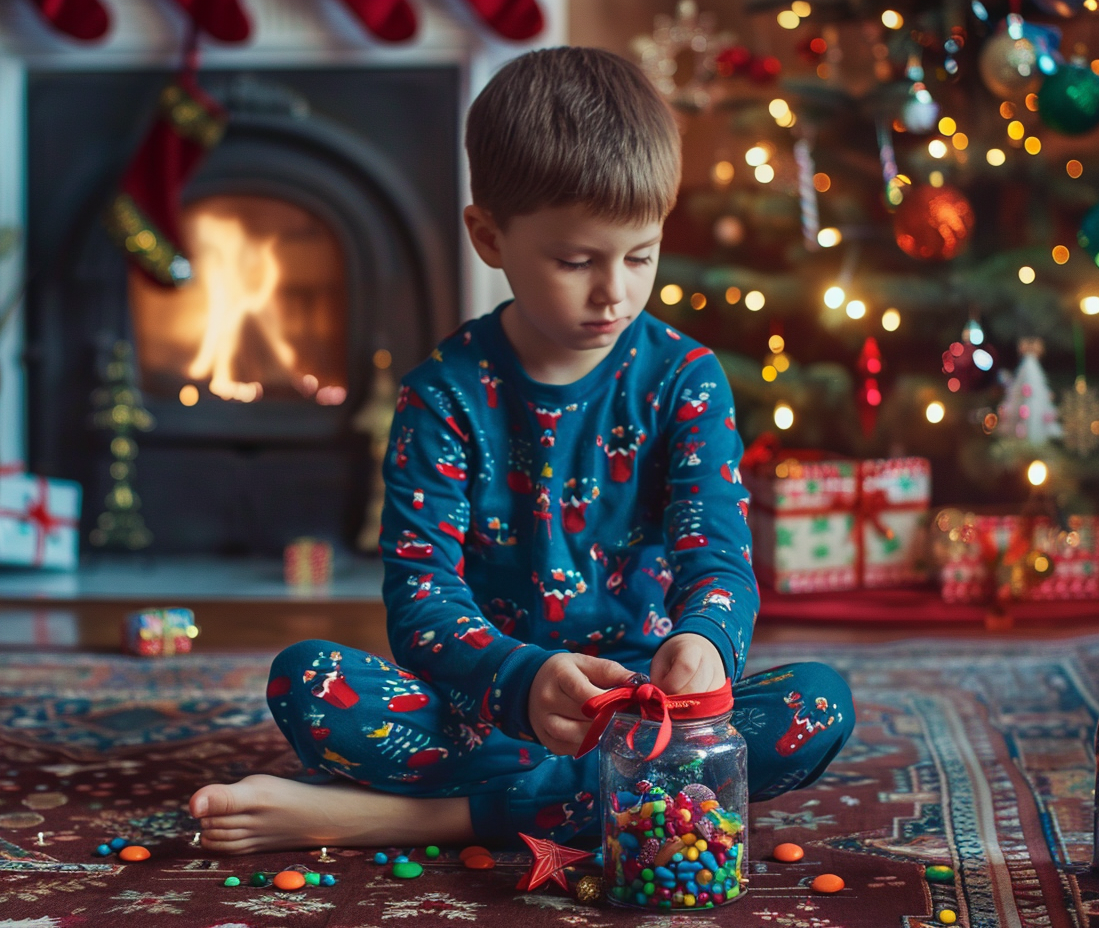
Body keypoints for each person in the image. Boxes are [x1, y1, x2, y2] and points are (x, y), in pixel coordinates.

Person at [188, 46, 853, 854]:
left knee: (817, 705)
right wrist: (522, 680)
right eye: (576, 261)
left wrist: (706, 645)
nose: (614, 292)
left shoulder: (687, 380)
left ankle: (413, 819)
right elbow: (421, 601)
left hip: (647, 715)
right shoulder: (443, 393)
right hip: (488, 707)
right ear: (489, 236)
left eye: (640, 255)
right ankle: (602, 804)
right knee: (308, 680)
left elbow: (717, 558)